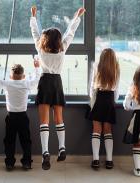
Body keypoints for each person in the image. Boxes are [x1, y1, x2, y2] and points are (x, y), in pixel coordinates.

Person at [29, 6, 86, 170]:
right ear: (58, 40)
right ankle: (62, 148)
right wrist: (77, 16)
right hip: (57, 83)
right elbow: (70, 33)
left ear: (45, 39)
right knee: (59, 118)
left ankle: (45, 152)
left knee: (44, 121)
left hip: (44, 82)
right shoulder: (62, 49)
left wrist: (33, 17)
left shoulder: (40, 49)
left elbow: (35, 33)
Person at [0, 60, 41, 171]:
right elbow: (37, 78)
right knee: (26, 140)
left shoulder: (8, 84)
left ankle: (10, 163)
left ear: (11, 75)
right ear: (23, 75)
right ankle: (27, 163)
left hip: (11, 117)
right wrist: (37, 67)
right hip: (23, 117)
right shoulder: (26, 84)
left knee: (9, 141)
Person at [88, 48, 120, 170]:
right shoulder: (116, 67)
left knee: (96, 130)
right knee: (108, 131)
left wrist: (92, 103)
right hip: (110, 99)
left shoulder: (97, 66)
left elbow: (92, 87)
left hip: (99, 98)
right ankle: (109, 161)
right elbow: (116, 89)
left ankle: (95, 160)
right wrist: (113, 102)